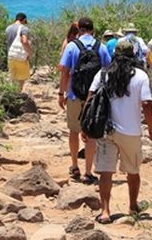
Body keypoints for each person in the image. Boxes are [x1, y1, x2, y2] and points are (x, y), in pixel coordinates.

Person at [84, 39, 152, 224]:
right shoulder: (140, 76)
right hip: (131, 132)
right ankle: (132, 206)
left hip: (105, 130)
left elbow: (90, 99)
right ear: (133, 55)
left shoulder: (103, 74)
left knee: (105, 172)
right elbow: (146, 104)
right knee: (133, 171)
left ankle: (105, 211)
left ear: (114, 55)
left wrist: (85, 127)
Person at [59, 16, 112, 184]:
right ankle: (88, 172)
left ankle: (75, 165)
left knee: (74, 131)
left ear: (79, 29)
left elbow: (65, 72)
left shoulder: (71, 47)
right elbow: (108, 70)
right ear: (93, 29)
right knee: (91, 134)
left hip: (75, 95)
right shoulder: (101, 47)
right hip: (95, 97)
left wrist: (61, 94)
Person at [5, 12, 32, 92]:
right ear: (24, 20)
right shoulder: (23, 28)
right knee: (21, 80)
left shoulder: (8, 28)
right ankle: (17, 96)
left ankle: (12, 96)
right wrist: (29, 53)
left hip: (10, 56)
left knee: (13, 79)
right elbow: (24, 41)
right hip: (20, 57)